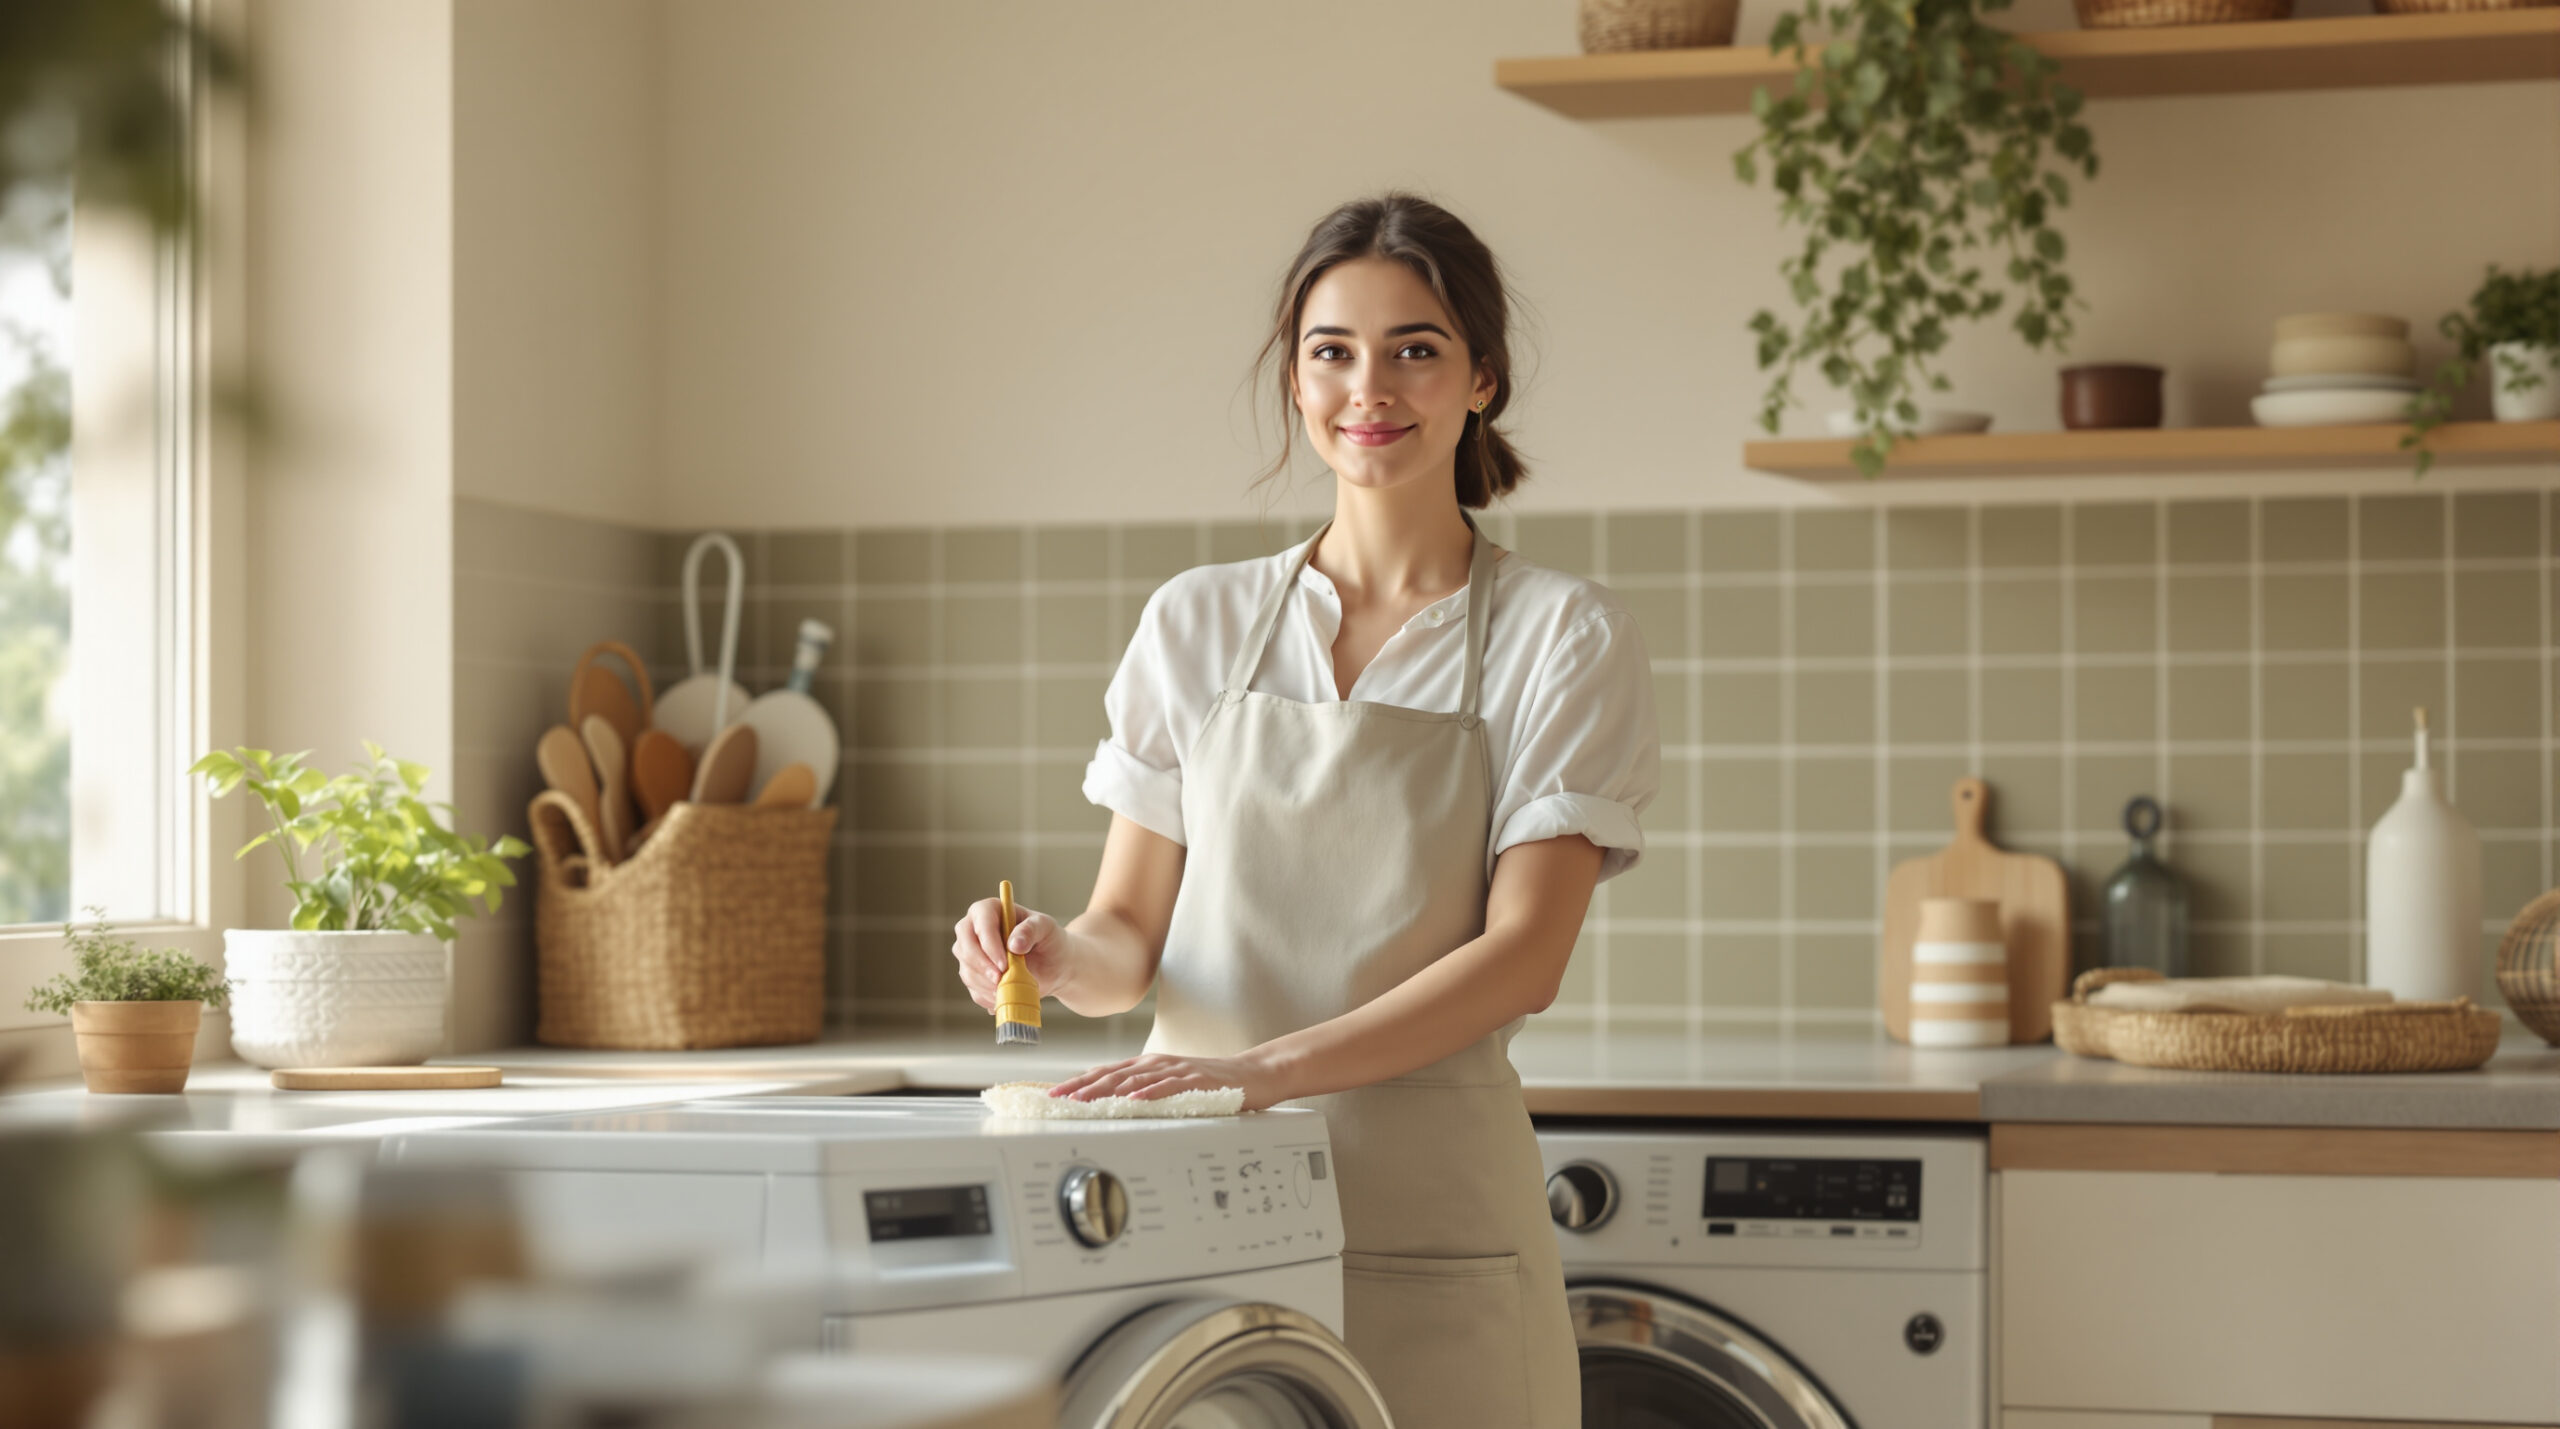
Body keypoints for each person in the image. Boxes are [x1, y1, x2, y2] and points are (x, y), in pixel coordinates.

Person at [948, 191, 1659, 1429]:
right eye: (1332, 351)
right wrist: (1061, 955)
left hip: (1434, 1219)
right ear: (1294, 378)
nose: (1367, 388)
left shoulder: (1563, 634)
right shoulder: (1198, 620)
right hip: (1204, 1205)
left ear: (1481, 378)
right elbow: (1129, 942)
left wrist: (1254, 1071)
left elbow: (1522, 959)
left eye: (1415, 349)